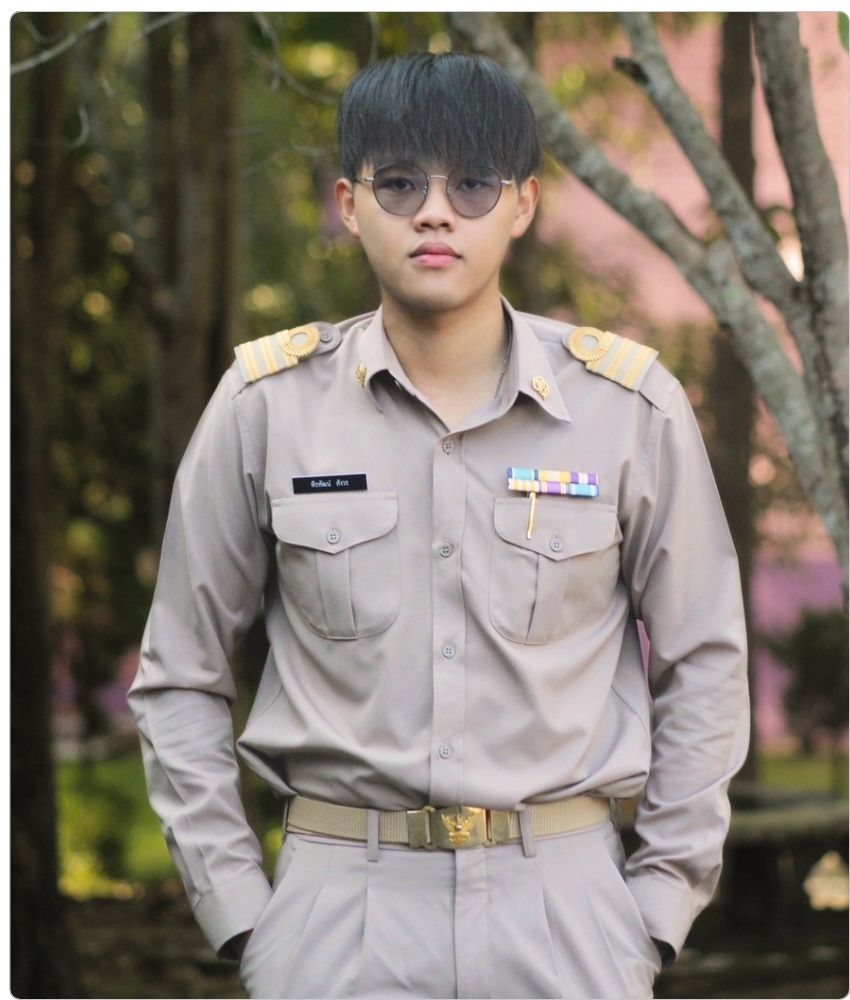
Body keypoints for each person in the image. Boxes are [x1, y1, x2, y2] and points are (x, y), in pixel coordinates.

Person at [129, 52, 749, 1000]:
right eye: (400, 183)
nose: (434, 213)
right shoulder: (266, 407)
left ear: (523, 205)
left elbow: (705, 660)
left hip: (570, 918)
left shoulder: (628, 408)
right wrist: (244, 914)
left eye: (471, 185)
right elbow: (180, 673)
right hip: (338, 920)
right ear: (349, 203)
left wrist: (659, 902)